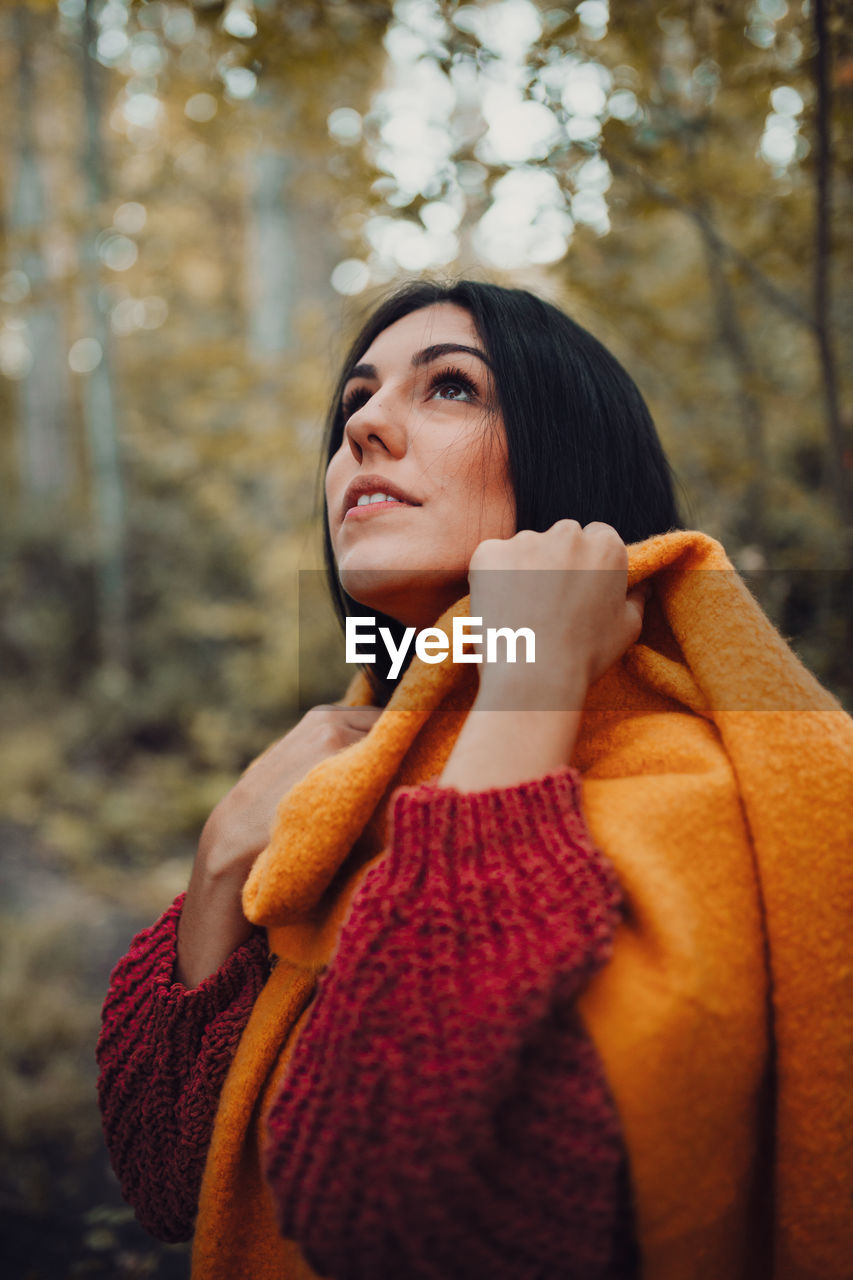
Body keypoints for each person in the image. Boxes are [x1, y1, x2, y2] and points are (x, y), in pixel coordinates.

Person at [96, 280, 853, 1280]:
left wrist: (531, 680)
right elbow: (163, 1173)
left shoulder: (696, 794)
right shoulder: (335, 787)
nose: (363, 422)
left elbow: (394, 1207)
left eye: (450, 387)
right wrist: (227, 845)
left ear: (565, 457)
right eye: (354, 400)